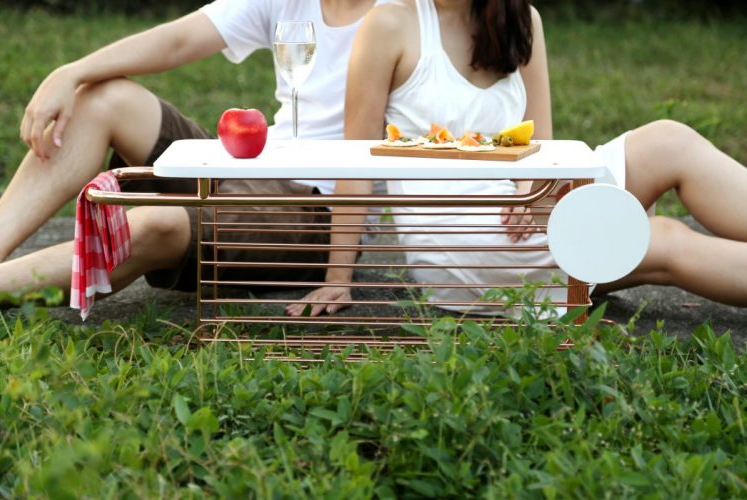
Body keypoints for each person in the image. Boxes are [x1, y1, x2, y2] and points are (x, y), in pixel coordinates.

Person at [286, 0, 747, 317]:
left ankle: (565, 247)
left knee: (670, 141)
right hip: (457, 233)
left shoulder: (520, 18)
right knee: (655, 238)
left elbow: (541, 147)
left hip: (523, 207)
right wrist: (337, 277)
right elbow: (356, 162)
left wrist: (534, 192)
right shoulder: (390, 23)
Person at [0, 0, 387, 309]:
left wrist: (339, 275)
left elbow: (360, 156)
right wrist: (71, 72)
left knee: (159, 222)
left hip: (319, 212)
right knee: (102, 98)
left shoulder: (401, 16)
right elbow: (178, 40)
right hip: (258, 165)